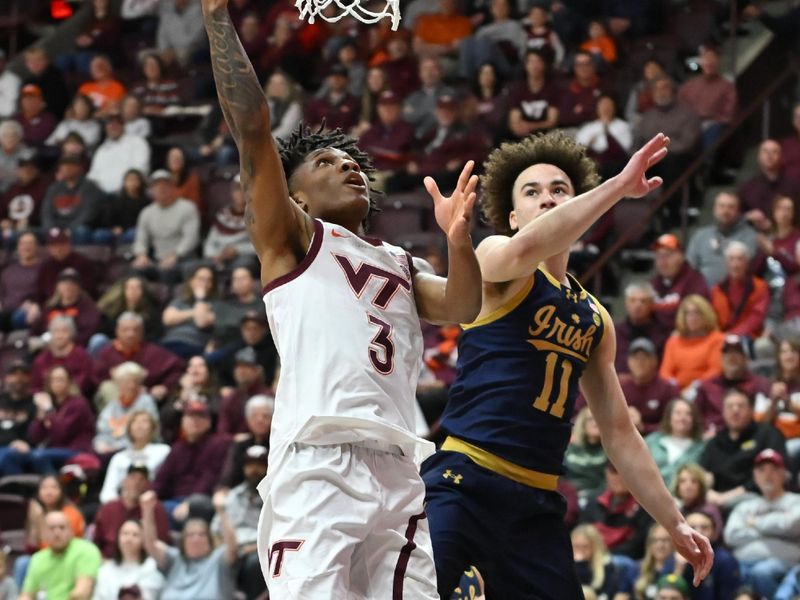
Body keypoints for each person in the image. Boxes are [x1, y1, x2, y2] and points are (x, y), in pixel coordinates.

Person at [203, 0, 483, 596]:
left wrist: (460, 239)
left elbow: (464, 307)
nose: (349, 167)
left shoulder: (401, 264)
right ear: (295, 196)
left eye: (353, 161)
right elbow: (252, 126)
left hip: (399, 467)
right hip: (318, 461)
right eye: (326, 163)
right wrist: (216, 17)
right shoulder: (292, 239)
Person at [420, 129, 713, 597]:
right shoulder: (496, 256)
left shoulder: (595, 316)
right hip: (465, 478)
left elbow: (618, 432)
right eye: (532, 192)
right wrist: (618, 186)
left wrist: (674, 521)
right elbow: (521, 251)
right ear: (513, 215)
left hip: (535, 501)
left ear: (579, 208)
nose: (549, 199)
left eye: (560, 190)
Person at [724, 449, 800, 599]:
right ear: (755, 475)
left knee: (762, 572)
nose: (767, 475)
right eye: (762, 470)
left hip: (786, 564)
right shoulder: (745, 506)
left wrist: (755, 523)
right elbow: (731, 535)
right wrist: (773, 528)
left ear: (784, 474)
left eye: (774, 470)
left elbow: (792, 525)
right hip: (743, 563)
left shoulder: (796, 501)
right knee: (724, 567)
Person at [140, 488, 238, 600]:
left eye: (201, 534)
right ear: (183, 541)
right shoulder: (175, 559)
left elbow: (232, 546)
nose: (196, 539)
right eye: (190, 535)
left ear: (210, 540)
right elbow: (151, 545)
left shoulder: (219, 559)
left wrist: (221, 511)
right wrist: (147, 510)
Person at [700, 389, 787, 508]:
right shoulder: (714, 442)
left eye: (741, 406)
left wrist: (726, 498)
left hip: (756, 497)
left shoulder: (767, 434)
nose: (735, 410)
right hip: (716, 500)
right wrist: (707, 490)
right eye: (730, 406)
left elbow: (777, 472)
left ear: (751, 410)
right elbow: (701, 473)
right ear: (723, 412)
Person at [211, 444, 268, 600]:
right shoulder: (232, 495)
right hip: (231, 548)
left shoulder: (273, 498)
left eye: (260, 465)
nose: (254, 469)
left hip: (256, 550)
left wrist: (248, 549)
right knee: (216, 558)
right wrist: (227, 548)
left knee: (255, 563)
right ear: (244, 468)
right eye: (250, 465)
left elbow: (274, 534)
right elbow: (215, 529)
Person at [131, 170, 200, 283]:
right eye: (156, 185)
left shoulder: (187, 208)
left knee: (167, 272)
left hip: (183, 260)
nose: (161, 188)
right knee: (134, 269)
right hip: (158, 260)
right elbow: (140, 239)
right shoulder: (146, 212)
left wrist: (175, 255)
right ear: (151, 190)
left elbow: (191, 239)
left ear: (173, 187)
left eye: (165, 184)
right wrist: (141, 255)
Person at [694, 334, 770, 435]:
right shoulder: (706, 386)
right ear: (721, 358)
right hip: (713, 439)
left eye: (737, 353)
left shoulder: (760, 385)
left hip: (750, 437)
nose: (732, 357)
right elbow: (695, 417)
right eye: (727, 353)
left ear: (745, 358)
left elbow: (766, 418)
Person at [18, 511, 102, 600]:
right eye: (51, 528)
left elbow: (81, 594)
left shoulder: (86, 550)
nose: (57, 533)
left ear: (71, 531)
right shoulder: (37, 558)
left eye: (62, 528)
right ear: (44, 533)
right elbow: (26, 595)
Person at [93, 463, 171, 558]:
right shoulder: (108, 508)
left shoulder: (155, 508)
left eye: (142, 479)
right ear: (124, 481)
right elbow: (96, 543)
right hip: (109, 563)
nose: (136, 483)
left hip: (143, 565)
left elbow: (162, 544)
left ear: (148, 484)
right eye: (133, 477)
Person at [99, 411, 171, 504]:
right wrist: (118, 506)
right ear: (129, 428)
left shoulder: (164, 451)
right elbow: (108, 491)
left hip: (153, 500)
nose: (139, 425)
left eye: (145, 421)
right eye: (135, 421)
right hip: (122, 503)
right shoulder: (119, 458)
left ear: (153, 428)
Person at [659, 295, 725, 392]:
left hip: (704, 390)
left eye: (697, 313)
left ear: (706, 314)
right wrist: (673, 387)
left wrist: (695, 387)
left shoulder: (717, 339)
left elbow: (715, 370)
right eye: (688, 314)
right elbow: (665, 372)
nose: (692, 318)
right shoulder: (673, 341)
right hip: (676, 391)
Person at [93, 362, 159, 455]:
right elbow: (102, 431)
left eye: (135, 381)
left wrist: (117, 447)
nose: (131, 386)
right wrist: (102, 445)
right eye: (127, 382)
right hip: (111, 450)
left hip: (139, 450)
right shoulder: (113, 405)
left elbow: (150, 432)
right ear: (118, 384)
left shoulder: (146, 401)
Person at [91, 519, 165, 600]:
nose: (129, 539)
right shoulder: (105, 570)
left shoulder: (151, 566)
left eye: (135, 535)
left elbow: (149, 596)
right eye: (125, 534)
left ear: (143, 540)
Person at [649, 233, 709, 332]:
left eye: (667, 255)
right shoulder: (652, 284)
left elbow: (697, 318)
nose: (663, 262)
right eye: (659, 256)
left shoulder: (694, 281)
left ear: (681, 256)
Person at [709, 242, 768, 339]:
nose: (735, 265)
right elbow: (712, 320)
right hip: (722, 338)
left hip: (750, 338)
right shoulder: (716, 291)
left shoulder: (760, 287)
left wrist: (734, 334)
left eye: (740, 259)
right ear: (726, 263)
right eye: (731, 259)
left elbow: (756, 317)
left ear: (747, 262)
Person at [619, 338, 679, 433]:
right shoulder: (621, 388)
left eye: (644, 358)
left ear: (654, 361)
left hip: (660, 440)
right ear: (628, 362)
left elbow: (676, 424)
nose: (640, 362)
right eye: (635, 358)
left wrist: (643, 427)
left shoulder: (667, 388)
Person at [645, 399, 706, 486]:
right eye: (678, 413)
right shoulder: (652, 441)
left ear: (694, 419)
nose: (682, 418)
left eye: (688, 414)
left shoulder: (701, 448)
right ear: (669, 417)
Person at [632, 524, 688, 600]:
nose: (660, 545)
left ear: (674, 543)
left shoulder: (683, 565)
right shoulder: (637, 567)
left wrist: (678, 571)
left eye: (665, 540)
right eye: (655, 540)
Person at [563, 407, 607, 501]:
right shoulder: (569, 448)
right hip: (569, 497)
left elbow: (609, 482)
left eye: (599, 418)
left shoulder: (610, 452)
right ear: (583, 424)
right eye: (591, 419)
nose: (595, 423)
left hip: (596, 499)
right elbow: (561, 477)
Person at [571, 523, 624, 600]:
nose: (580, 551)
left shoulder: (606, 565)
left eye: (585, 546)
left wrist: (581, 564)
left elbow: (609, 594)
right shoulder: (566, 565)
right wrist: (578, 564)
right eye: (576, 546)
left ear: (595, 547)